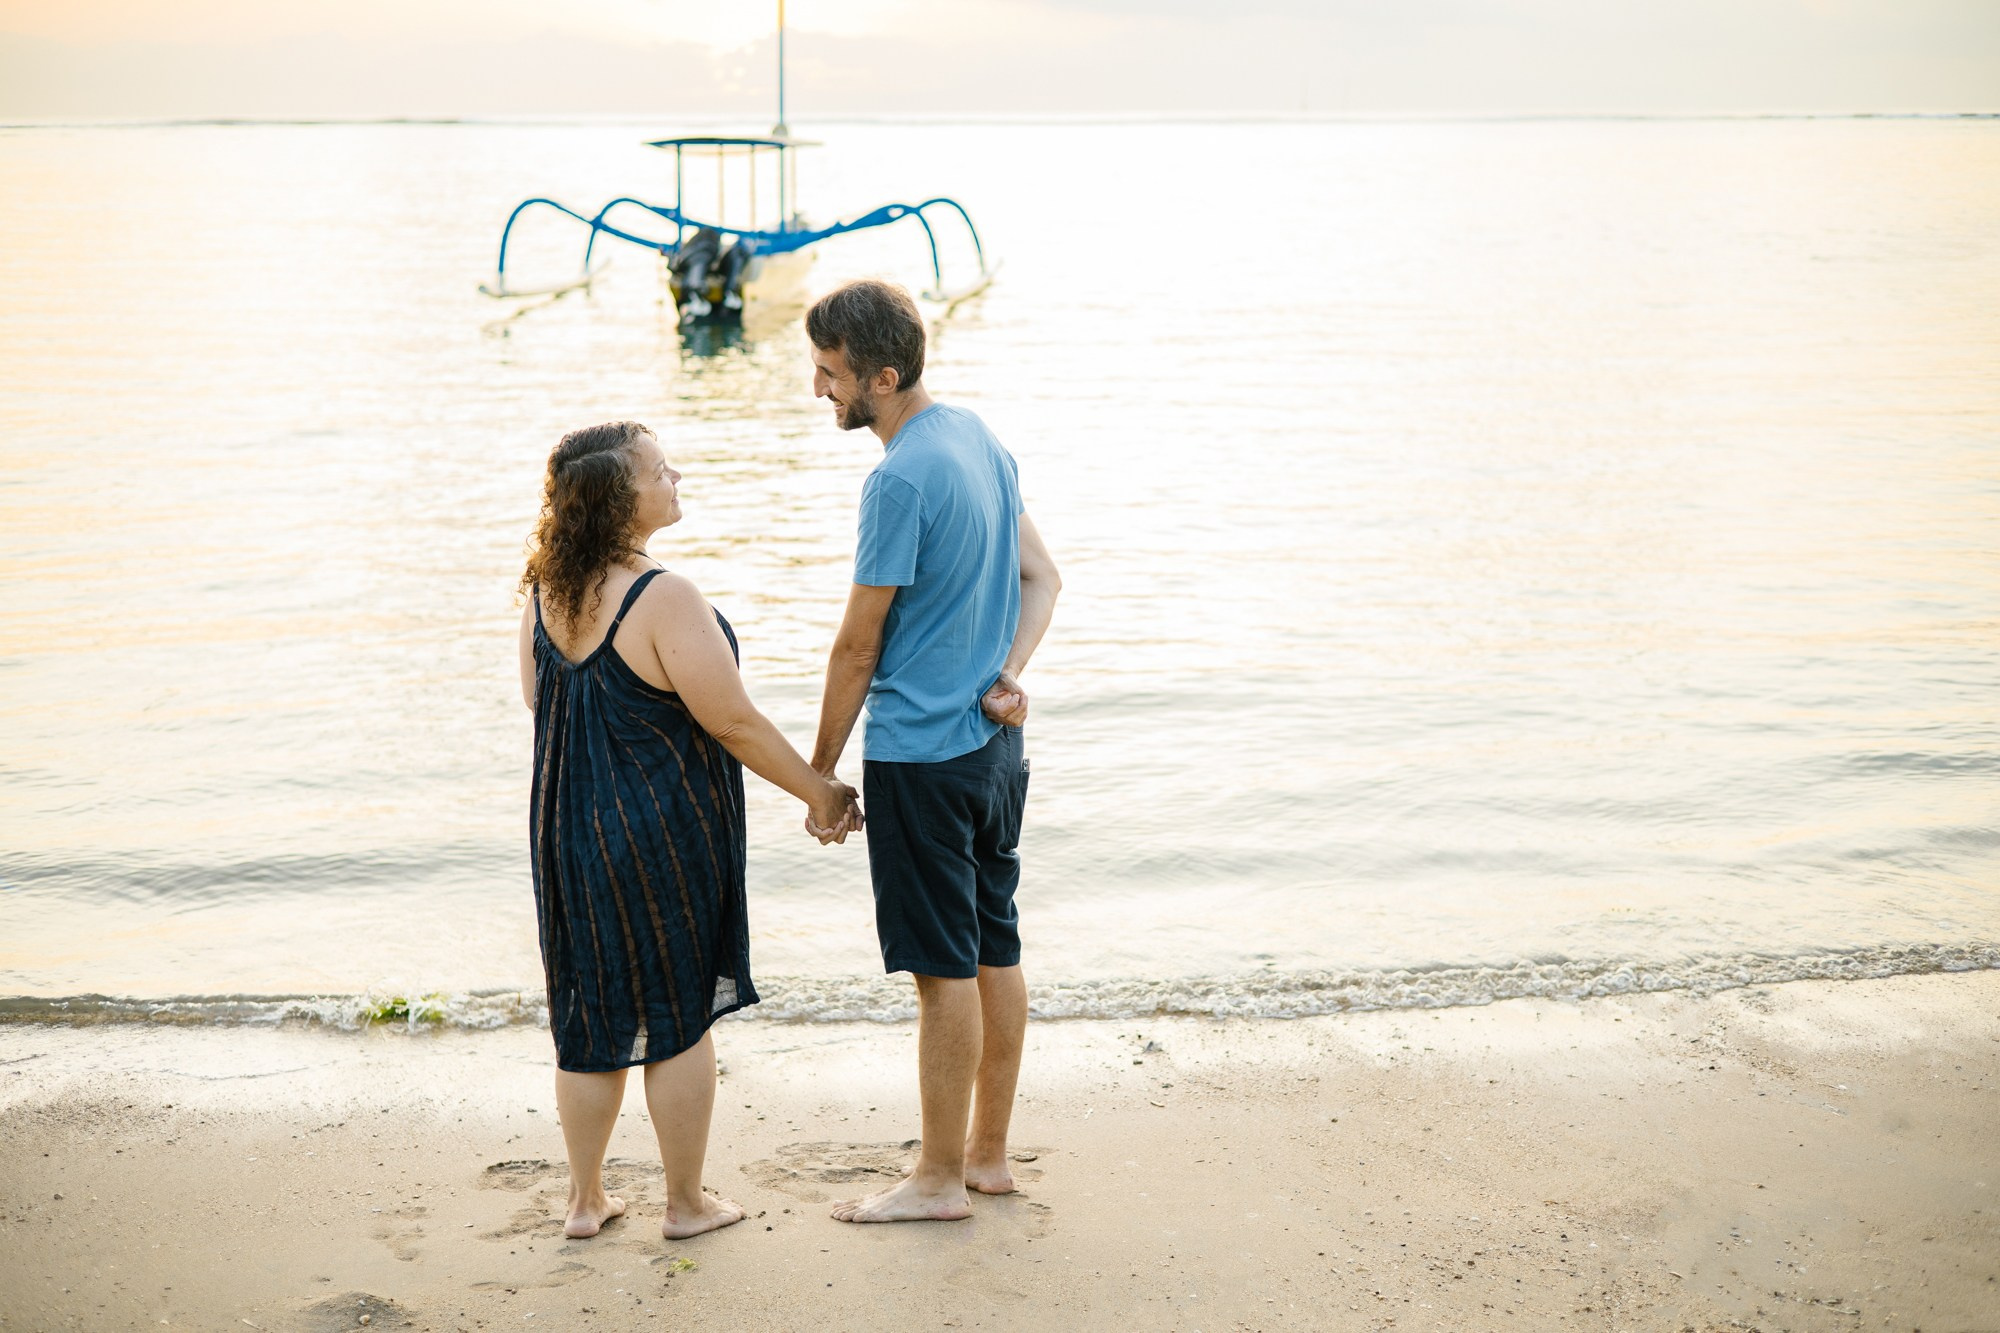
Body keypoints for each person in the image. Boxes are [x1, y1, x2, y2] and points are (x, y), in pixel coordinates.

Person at [517, 420, 858, 1241]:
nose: (676, 477)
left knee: (590, 1016)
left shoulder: (544, 592)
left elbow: (541, 703)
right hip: (659, 831)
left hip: (567, 829)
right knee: (676, 1016)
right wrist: (818, 790)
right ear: (616, 496)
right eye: (659, 470)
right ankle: (684, 1203)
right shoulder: (663, 595)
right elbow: (733, 721)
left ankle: (586, 1199)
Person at [803, 280, 1062, 1224]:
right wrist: (1009, 669)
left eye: (832, 375)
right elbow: (1044, 577)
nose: (819, 390)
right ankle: (985, 1158)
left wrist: (822, 772)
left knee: (940, 972)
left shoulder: (899, 478)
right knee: (995, 945)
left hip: (922, 760)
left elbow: (858, 645)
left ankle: (938, 1180)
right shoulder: (977, 438)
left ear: (883, 375)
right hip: (995, 752)